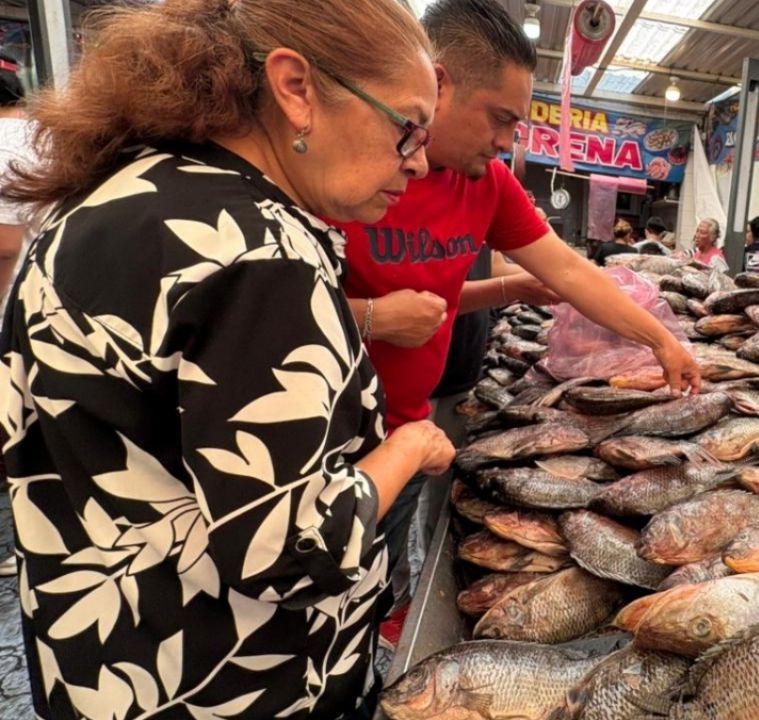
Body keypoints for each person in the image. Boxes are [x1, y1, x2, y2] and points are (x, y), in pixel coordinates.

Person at [0, 0, 455, 717]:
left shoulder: (98, 205)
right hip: (233, 684)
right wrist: (407, 447)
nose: (420, 160)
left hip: (102, 664)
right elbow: (291, 548)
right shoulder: (261, 253)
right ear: (296, 88)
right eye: (407, 127)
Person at [331, 0, 698, 650]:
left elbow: (571, 270)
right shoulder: (348, 164)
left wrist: (661, 339)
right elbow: (263, 307)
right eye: (500, 118)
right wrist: (373, 317)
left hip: (408, 431)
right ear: (438, 85)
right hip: (326, 442)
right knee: (319, 595)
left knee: (372, 592)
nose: (508, 142)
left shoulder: (489, 184)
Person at [0, 52, 35, 581]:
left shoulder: (2, 145)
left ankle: (26, 547)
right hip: (52, 305)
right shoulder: (49, 132)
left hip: (10, 310)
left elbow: (5, 247)